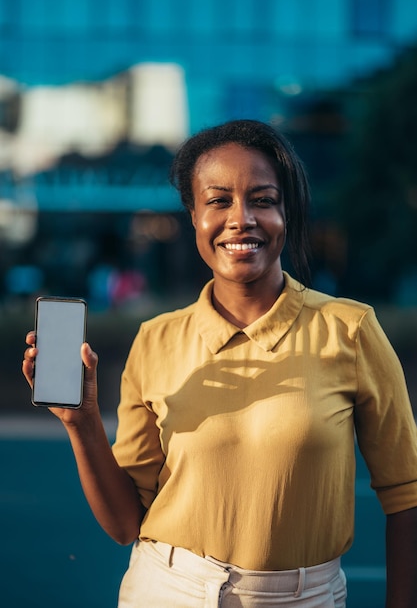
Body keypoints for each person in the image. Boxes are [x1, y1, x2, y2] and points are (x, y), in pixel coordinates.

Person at [23, 119, 417, 607]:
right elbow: (126, 525)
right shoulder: (156, 339)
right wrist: (80, 422)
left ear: (286, 213)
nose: (241, 219)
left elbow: (408, 495)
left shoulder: (352, 330)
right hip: (166, 590)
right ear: (193, 215)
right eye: (218, 200)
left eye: (263, 199)